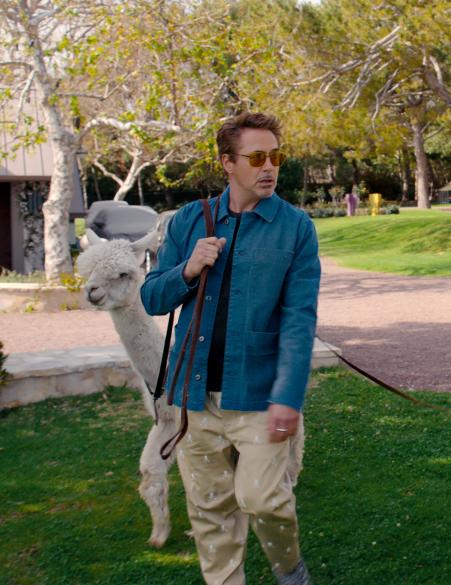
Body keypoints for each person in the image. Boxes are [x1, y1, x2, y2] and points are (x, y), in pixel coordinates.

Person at [141, 112, 320, 585]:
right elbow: (151, 297)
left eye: (276, 157)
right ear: (227, 162)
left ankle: (289, 571)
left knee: (263, 498)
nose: (269, 167)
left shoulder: (296, 228)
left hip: (259, 395)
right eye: (257, 157)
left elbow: (300, 320)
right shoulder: (189, 220)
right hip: (194, 397)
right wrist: (187, 269)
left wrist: (288, 396)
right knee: (210, 512)